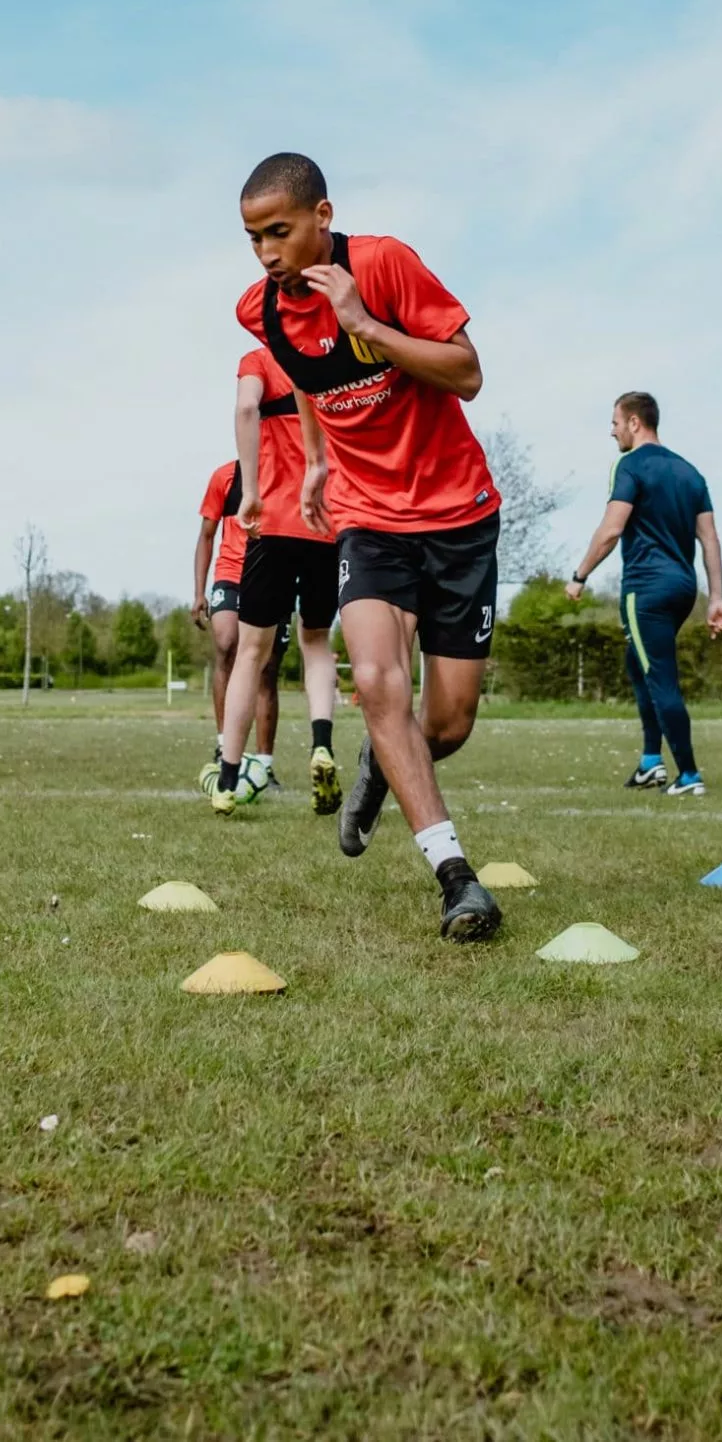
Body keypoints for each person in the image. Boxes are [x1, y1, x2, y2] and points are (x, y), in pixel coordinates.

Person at [233, 152, 503, 942]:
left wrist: (366, 327)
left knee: (445, 725)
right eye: (252, 239)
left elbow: (468, 373)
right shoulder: (261, 311)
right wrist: (317, 461)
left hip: (458, 512)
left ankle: (381, 764)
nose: (267, 253)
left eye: (279, 232)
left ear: (322, 216)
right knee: (381, 681)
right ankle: (456, 879)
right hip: (367, 517)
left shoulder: (383, 264)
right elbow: (309, 380)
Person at [567, 391, 722, 793]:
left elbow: (611, 530)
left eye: (615, 422)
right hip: (682, 588)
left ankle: (689, 775)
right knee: (639, 665)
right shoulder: (691, 473)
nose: (612, 431)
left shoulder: (630, 465)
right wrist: (716, 598)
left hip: (646, 589)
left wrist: (580, 575)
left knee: (659, 677)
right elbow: (709, 539)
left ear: (635, 423)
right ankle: (650, 761)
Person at [208, 346, 344, 816]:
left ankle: (228, 776)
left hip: (274, 522)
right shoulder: (335, 359)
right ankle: (321, 744)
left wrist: (250, 489)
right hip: (327, 522)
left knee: (250, 653)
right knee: (317, 642)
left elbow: (247, 407)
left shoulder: (258, 359)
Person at [191, 458, 284, 790]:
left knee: (268, 666)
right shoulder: (224, 477)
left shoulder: (286, 471)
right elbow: (205, 535)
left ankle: (264, 764)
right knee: (228, 645)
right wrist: (199, 592)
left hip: (273, 576)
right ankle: (223, 746)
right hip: (230, 575)